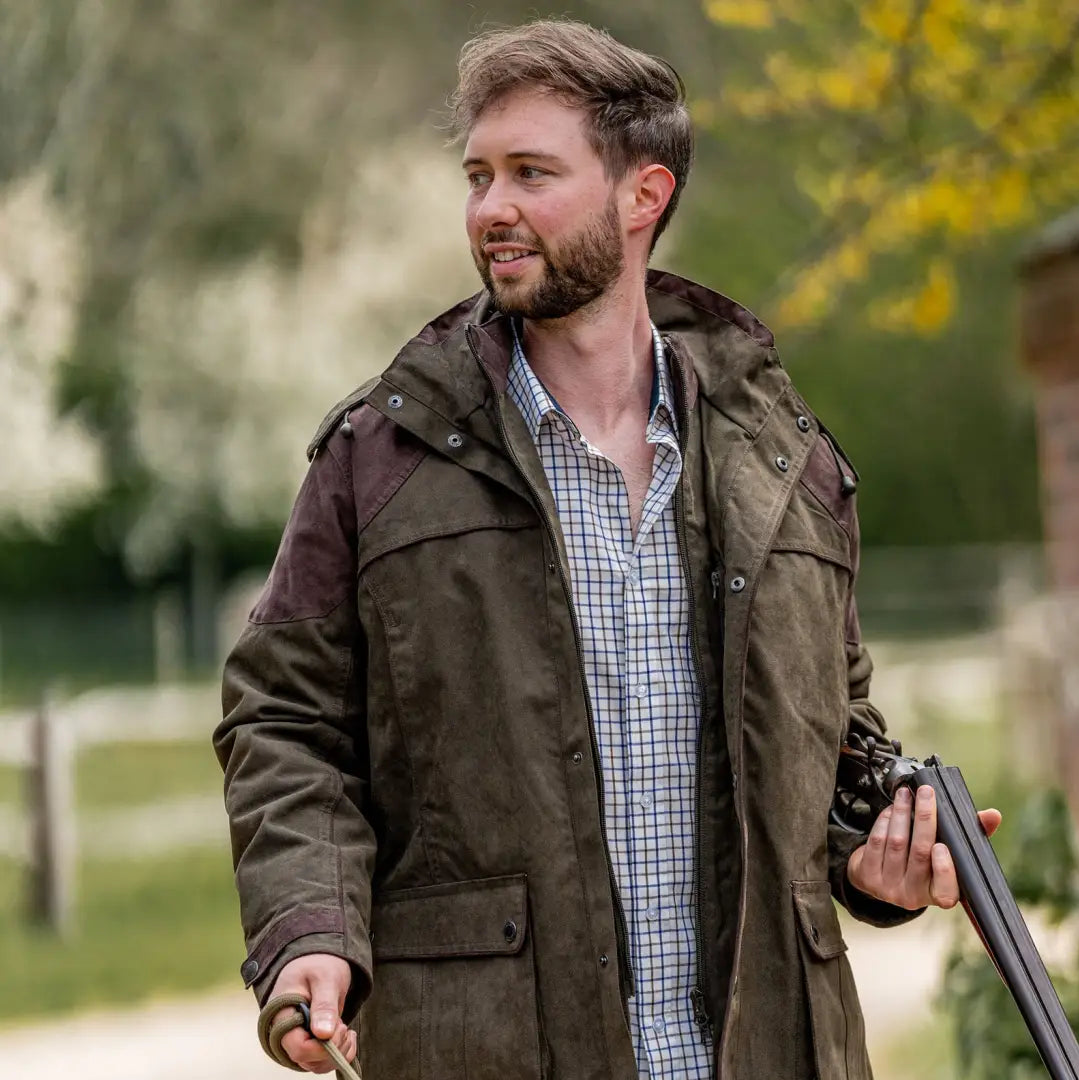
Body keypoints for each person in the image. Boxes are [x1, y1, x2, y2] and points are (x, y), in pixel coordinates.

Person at [214, 18, 1000, 1079]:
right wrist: (310, 929)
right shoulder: (381, 456)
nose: (492, 208)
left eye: (532, 173)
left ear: (644, 196)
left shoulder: (784, 460)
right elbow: (284, 718)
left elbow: (833, 731)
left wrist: (874, 860)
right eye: (479, 175)